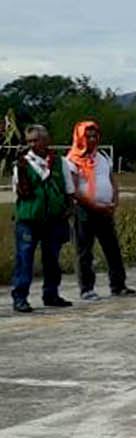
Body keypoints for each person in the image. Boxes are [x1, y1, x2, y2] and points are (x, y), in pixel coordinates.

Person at [64, 120, 136, 299]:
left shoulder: (102, 156)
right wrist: (94, 205)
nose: (92, 139)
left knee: (112, 248)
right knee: (84, 251)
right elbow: (73, 190)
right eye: (88, 136)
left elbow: (112, 180)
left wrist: (114, 202)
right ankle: (87, 288)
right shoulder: (72, 159)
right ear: (80, 137)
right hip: (84, 211)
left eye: (95, 135)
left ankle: (118, 285)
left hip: (106, 210)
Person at [10, 125, 73, 313]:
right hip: (29, 218)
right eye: (29, 141)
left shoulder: (60, 162)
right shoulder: (23, 163)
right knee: (25, 258)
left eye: (36, 140)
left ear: (46, 141)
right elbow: (21, 192)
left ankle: (51, 293)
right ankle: (20, 297)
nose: (32, 144)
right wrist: (21, 171)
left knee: (52, 258)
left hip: (53, 218)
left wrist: (68, 210)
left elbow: (68, 189)